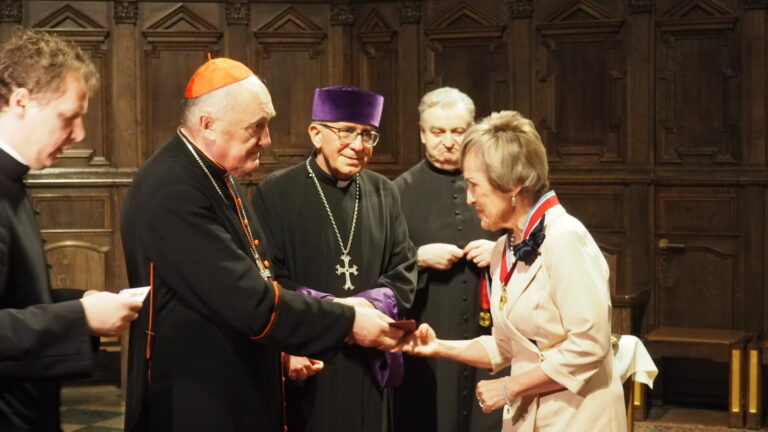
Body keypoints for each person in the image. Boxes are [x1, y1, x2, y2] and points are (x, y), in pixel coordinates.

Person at [121, 59, 403, 432]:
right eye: (257, 126)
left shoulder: (215, 175)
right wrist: (347, 320)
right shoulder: (174, 190)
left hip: (229, 377)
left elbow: (252, 276)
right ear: (208, 124)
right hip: (195, 395)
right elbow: (246, 298)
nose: (267, 140)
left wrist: (280, 350)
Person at [398, 110, 626, 431]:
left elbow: (590, 345)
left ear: (512, 187)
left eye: (474, 185)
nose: (469, 198)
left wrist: (510, 387)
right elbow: (507, 346)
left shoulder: (565, 239)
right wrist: (437, 347)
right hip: (528, 417)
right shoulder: (504, 248)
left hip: (578, 416)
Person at [0, 29, 142, 431]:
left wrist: (81, 300)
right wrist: (80, 317)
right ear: (21, 102)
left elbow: (15, 299)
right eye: (68, 117)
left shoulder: (12, 180)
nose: (80, 134)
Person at [253, 86, 417, 432]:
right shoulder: (276, 192)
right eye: (346, 131)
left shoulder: (384, 192)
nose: (358, 145)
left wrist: (364, 309)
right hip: (310, 354)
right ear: (316, 134)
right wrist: (335, 313)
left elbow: (403, 271)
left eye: (368, 135)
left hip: (368, 355)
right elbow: (269, 275)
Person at [393, 87, 502, 432]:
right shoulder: (397, 192)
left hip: (492, 330)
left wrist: (499, 252)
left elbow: (531, 241)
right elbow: (378, 264)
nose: (449, 141)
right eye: (438, 132)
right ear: (422, 134)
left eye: (458, 131)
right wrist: (417, 258)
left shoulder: (500, 183)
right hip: (430, 327)